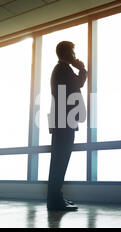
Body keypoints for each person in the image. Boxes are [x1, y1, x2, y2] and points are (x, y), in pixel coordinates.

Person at [47, 41, 87, 211]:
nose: (74, 55)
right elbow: (78, 84)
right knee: (60, 162)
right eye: (72, 51)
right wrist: (83, 69)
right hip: (64, 122)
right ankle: (55, 201)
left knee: (59, 162)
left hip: (62, 121)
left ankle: (56, 198)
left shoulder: (61, 69)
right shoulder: (63, 69)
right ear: (65, 53)